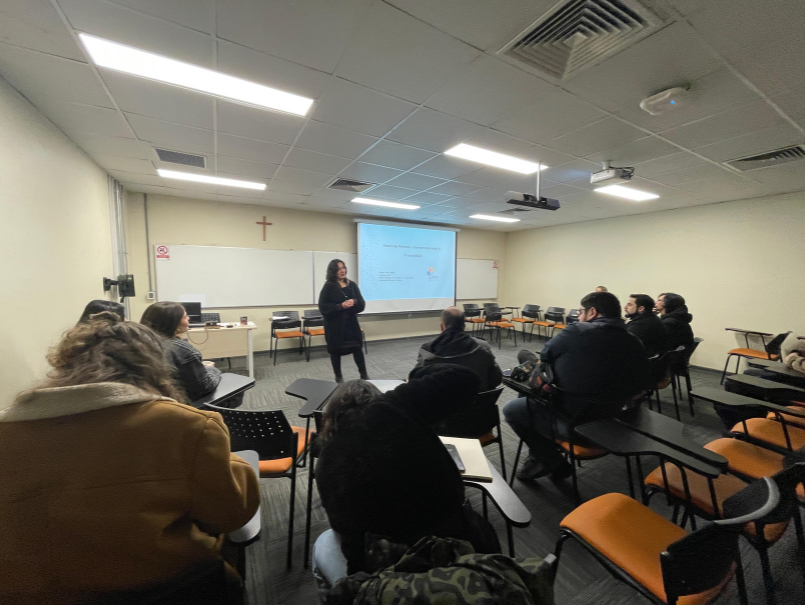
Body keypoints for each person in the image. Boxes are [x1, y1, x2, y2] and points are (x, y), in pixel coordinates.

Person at [0, 313, 259, 604]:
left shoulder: (8, 433)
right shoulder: (185, 426)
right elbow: (231, 514)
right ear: (153, 365)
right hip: (167, 587)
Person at [315, 365, 500, 575]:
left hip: (385, 573)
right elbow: (466, 376)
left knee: (323, 543)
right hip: (458, 551)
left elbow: (345, 533)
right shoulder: (396, 407)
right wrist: (417, 374)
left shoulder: (326, 457)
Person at [504, 292, 650, 481]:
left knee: (513, 408)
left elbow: (547, 354)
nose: (579, 316)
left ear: (592, 312)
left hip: (577, 426)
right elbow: (642, 385)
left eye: (581, 311)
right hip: (616, 424)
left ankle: (552, 461)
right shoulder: (635, 342)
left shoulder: (577, 331)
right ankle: (541, 457)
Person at [141, 301, 222, 402]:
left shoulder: (137, 344)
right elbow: (204, 387)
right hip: (182, 405)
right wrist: (212, 370)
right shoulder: (182, 350)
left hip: (148, 403)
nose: (189, 318)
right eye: (185, 316)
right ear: (174, 324)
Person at [410, 307, 502, 391]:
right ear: (464, 326)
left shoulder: (427, 350)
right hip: (478, 405)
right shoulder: (482, 347)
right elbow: (496, 379)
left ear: (442, 326)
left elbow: (415, 381)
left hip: (440, 407)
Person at [318, 259, 368, 382]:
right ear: (333, 271)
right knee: (335, 351)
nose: (342, 270)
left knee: (357, 348)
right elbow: (323, 307)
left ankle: (364, 375)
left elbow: (361, 304)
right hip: (335, 326)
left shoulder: (352, 285)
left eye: (344, 268)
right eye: (339, 268)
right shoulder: (328, 287)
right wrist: (340, 306)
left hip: (351, 325)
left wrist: (354, 301)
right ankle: (338, 377)